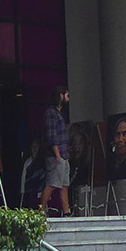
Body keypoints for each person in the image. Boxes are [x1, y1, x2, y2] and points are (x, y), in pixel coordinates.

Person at [40, 86, 70, 216]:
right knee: (52, 183)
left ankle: (66, 211)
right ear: (61, 96)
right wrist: (57, 154)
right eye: (67, 96)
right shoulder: (51, 113)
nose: (68, 99)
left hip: (63, 155)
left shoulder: (58, 113)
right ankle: (41, 210)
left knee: (64, 185)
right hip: (56, 155)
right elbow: (51, 136)